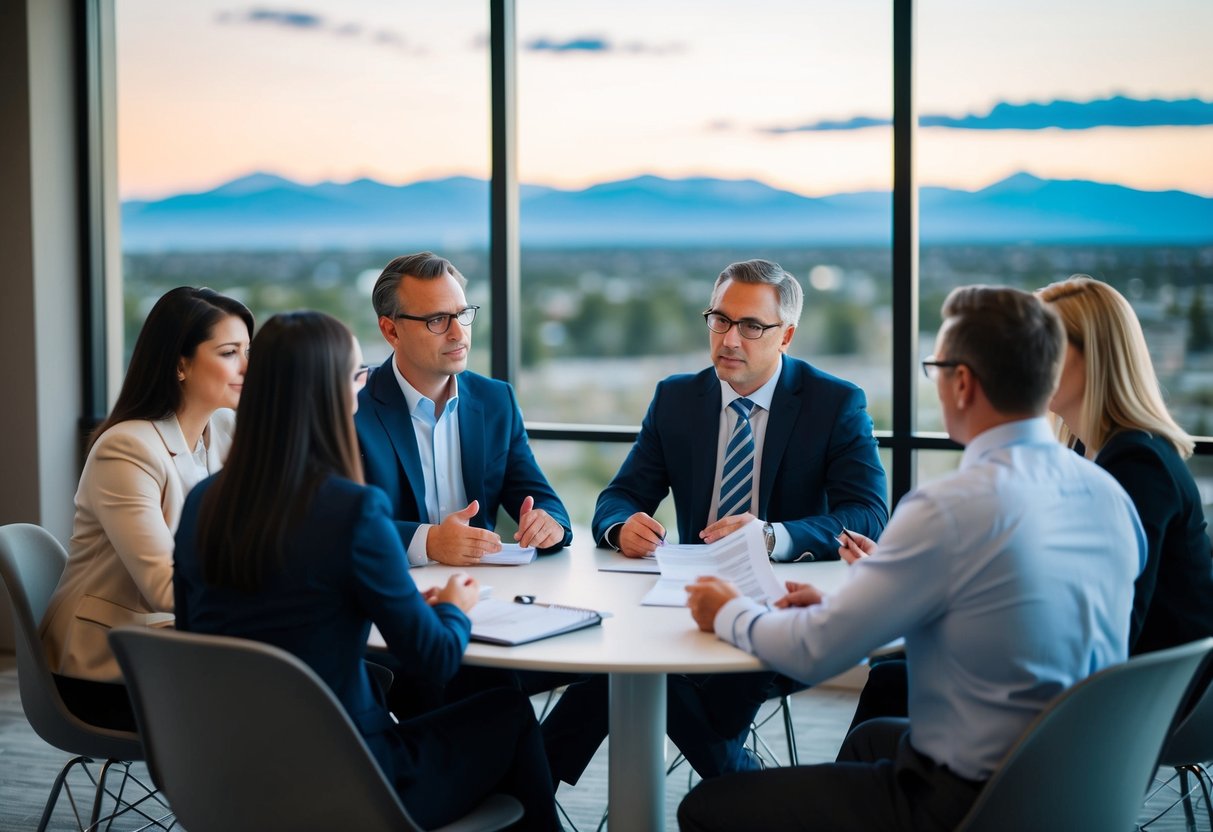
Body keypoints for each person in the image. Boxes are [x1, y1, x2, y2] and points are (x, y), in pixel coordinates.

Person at [679, 285, 1145, 832]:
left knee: (706, 809)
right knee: (870, 741)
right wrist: (847, 599)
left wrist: (727, 610)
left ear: (963, 382)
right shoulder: (1108, 494)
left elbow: (813, 653)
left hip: (969, 802)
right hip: (1081, 789)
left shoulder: (951, 507)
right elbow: (1000, 613)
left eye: (936, 368)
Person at [172, 311, 560, 831]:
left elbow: (202, 629)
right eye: (357, 375)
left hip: (226, 774)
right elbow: (436, 656)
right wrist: (452, 607)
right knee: (506, 715)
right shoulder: (352, 511)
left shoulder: (202, 502)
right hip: (350, 782)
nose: (364, 386)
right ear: (329, 393)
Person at [542, 259, 890, 786]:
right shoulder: (678, 398)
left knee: (623, 671)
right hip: (687, 604)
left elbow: (868, 514)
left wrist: (773, 535)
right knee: (642, 668)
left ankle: (529, 786)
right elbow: (618, 496)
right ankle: (755, 796)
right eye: (720, 320)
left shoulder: (834, 403)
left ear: (786, 335)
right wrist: (621, 526)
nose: (730, 339)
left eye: (751, 326)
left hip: (783, 607)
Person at [845, 275, 1213, 733]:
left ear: (1093, 357)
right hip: (1116, 675)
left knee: (894, 683)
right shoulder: (1087, 451)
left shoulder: (1139, 463)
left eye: (1045, 344)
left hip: (1145, 693)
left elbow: (1116, 622)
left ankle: (934, 801)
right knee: (898, 673)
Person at [40, 287, 252, 731]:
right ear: (180, 363)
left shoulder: (226, 428)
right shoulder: (127, 448)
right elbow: (165, 587)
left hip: (181, 647)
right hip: (105, 667)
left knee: (332, 682)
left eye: (248, 351)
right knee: (290, 700)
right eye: (230, 352)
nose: (247, 367)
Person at [355, 251, 571, 566]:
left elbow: (541, 498)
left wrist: (547, 522)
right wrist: (428, 542)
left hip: (481, 592)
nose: (458, 333)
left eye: (462, 314)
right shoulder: (351, 407)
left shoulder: (496, 401)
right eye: (437, 320)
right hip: (387, 594)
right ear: (391, 331)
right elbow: (336, 525)